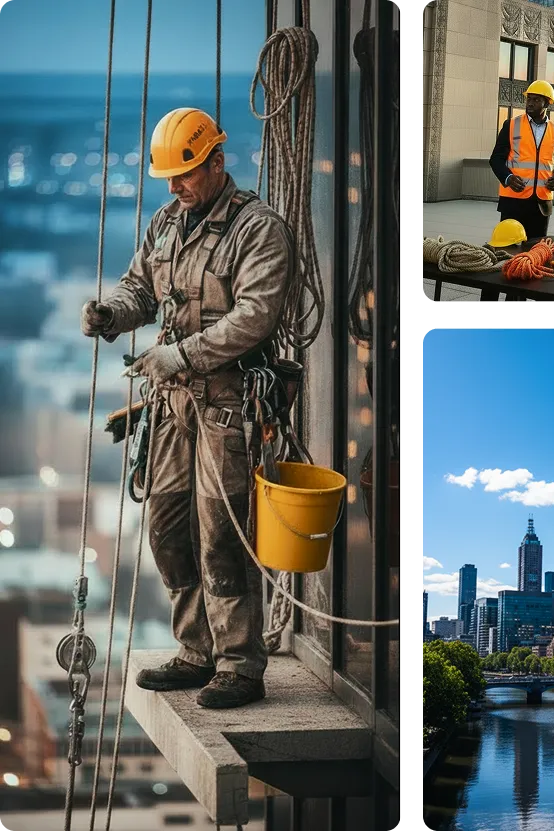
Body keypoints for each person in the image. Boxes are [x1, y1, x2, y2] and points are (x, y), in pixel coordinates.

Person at [80, 107, 295, 708]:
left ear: (217, 162)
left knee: (222, 534)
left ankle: (240, 664)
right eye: (169, 176)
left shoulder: (258, 229)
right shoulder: (167, 223)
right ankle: (196, 650)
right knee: (168, 528)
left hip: (228, 408)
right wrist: (112, 314)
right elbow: (140, 288)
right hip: (173, 407)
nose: (175, 186)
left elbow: (255, 316)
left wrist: (181, 355)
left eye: (186, 173)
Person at [489, 80, 554, 241]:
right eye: (529, 99)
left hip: (541, 204)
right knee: (509, 247)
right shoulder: (511, 125)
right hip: (513, 201)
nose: (530, 103)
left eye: (536, 100)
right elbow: (496, 159)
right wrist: (508, 178)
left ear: (547, 103)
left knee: (537, 249)